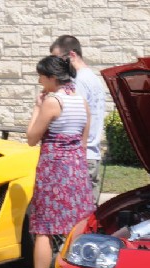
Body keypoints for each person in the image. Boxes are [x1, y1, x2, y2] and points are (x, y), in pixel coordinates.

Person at [23, 55, 95, 268]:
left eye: (41, 76)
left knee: (43, 228)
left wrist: (36, 106)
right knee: (75, 226)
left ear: (52, 78)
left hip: (53, 167)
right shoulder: (80, 100)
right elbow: (83, 140)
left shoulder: (52, 101)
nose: (39, 80)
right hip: (75, 167)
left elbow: (32, 137)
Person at [50, 35, 106, 206]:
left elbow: (74, 119)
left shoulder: (78, 81)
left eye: (59, 60)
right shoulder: (92, 78)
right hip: (91, 154)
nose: (57, 66)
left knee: (74, 217)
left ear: (72, 55)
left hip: (79, 156)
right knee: (88, 216)